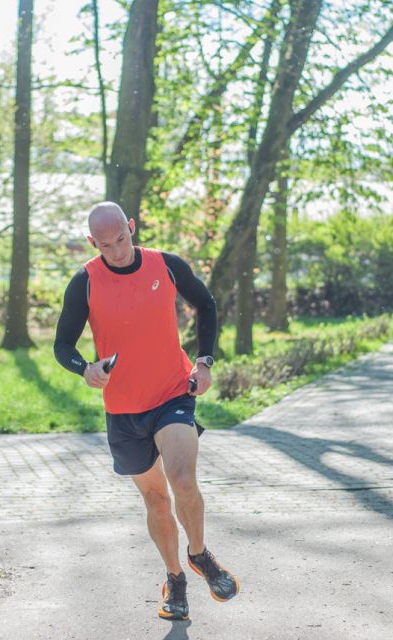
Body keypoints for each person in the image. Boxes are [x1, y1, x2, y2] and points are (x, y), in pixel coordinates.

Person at [54, 201, 239, 621]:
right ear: (91, 242)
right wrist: (86, 369)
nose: (117, 250)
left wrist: (204, 362)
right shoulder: (84, 281)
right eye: (106, 245)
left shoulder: (166, 265)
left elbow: (206, 305)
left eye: (122, 239)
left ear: (131, 227)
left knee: (182, 479)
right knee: (156, 501)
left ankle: (199, 554)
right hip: (123, 410)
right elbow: (62, 346)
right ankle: (175, 578)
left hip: (174, 394)